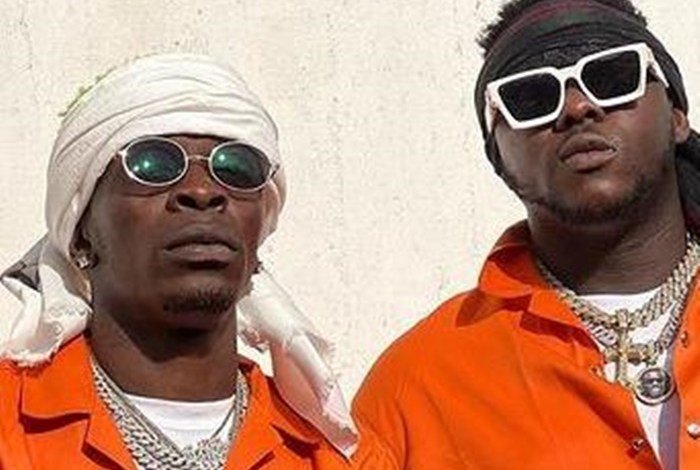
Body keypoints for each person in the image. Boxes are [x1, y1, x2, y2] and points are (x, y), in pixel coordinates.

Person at [353, 0, 700, 468]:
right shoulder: (418, 387)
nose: (578, 107)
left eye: (613, 75)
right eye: (532, 97)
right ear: (497, 158)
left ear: (676, 115)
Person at [0, 54, 390, 469]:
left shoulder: (339, 458)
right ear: (81, 232)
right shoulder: (11, 425)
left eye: (237, 168)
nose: (203, 192)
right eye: (153, 164)